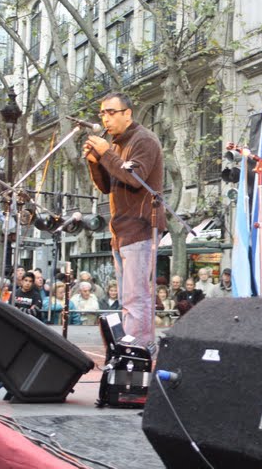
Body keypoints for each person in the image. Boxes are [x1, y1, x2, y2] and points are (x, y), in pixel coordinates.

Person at [84, 92, 166, 347]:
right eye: (102, 114)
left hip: (140, 228)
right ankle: (132, 347)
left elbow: (134, 178)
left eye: (111, 112)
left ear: (127, 114)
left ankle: (139, 351)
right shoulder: (116, 144)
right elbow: (107, 187)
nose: (105, 119)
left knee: (136, 297)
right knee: (127, 297)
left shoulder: (145, 140)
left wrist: (107, 153)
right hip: (121, 231)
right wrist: (94, 162)